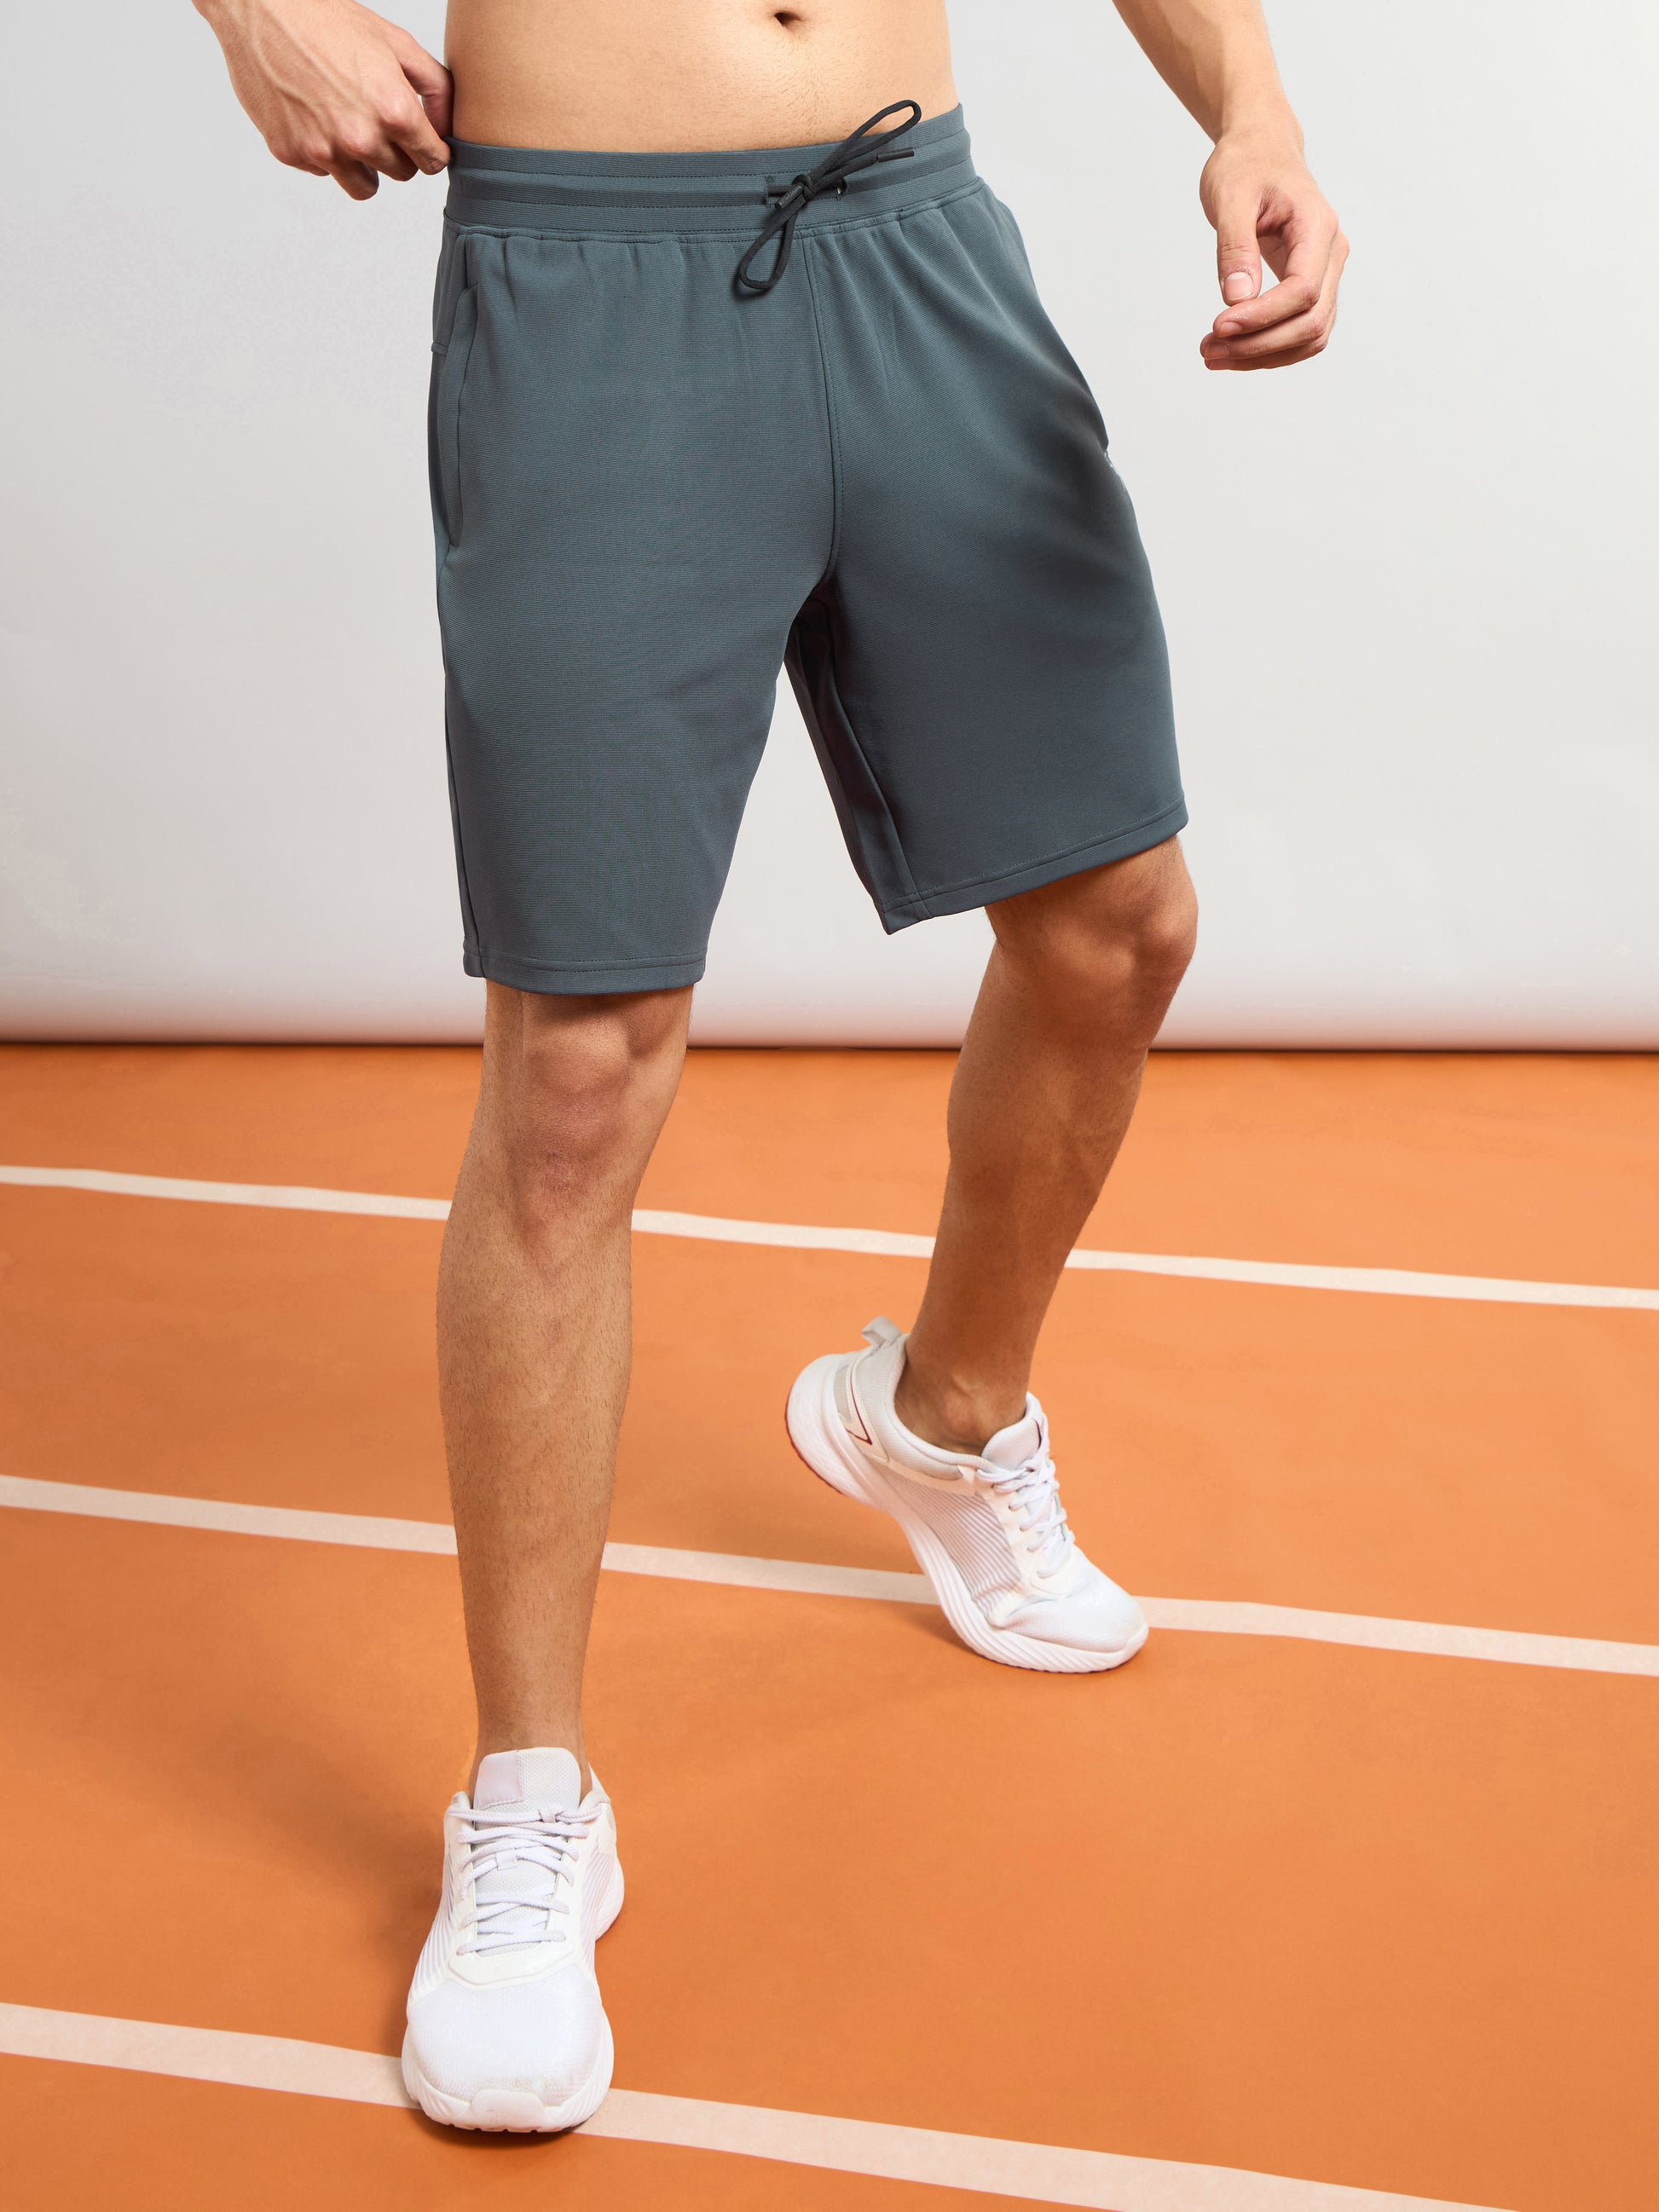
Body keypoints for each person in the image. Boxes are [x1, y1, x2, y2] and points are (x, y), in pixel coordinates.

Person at [195, 0, 1346, 2134]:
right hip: (590, 283)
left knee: (1117, 924)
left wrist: (1251, 108)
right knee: (576, 1069)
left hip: (911, 234)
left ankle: (944, 1423)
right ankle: (529, 1804)